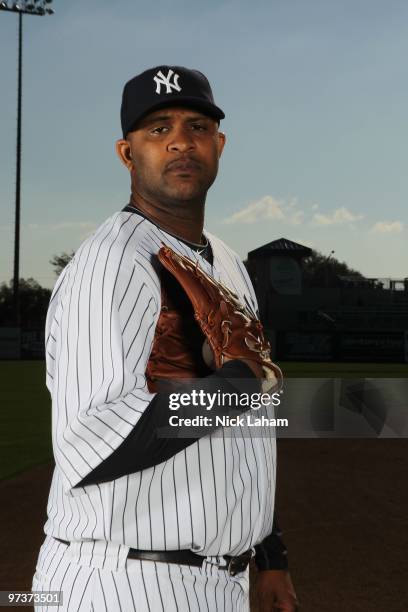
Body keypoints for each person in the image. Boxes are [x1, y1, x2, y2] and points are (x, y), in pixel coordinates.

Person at [32, 65, 299, 611]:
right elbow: (94, 441)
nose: (181, 140)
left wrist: (270, 555)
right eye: (158, 129)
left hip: (215, 580)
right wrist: (235, 384)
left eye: (197, 126)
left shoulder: (226, 261)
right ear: (126, 153)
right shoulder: (111, 265)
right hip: (119, 579)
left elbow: (251, 427)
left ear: (219, 145)